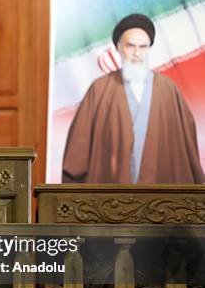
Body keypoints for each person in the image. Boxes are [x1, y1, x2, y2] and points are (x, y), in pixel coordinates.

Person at [62, 13, 204, 184]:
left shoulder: (168, 89)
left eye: (143, 47)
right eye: (130, 46)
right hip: (110, 195)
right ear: (119, 48)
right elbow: (79, 145)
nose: (137, 53)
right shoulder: (99, 90)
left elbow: (186, 144)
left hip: (162, 197)